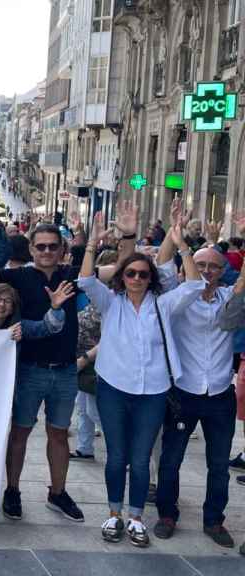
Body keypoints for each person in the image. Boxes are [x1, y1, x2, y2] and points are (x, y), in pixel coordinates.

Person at [0, 201, 141, 525]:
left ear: (62, 249)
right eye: (41, 246)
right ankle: (13, 490)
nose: (47, 251)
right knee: (19, 433)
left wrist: (128, 235)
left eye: (52, 246)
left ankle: (58, 492)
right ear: (32, 249)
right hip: (28, 369)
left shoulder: (73, 276)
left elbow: (121, 268)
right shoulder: (17, 276)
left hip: (64, 370)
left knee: (59, 434)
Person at [78, 214, 203, 547]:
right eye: (130, 273)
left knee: (141, 456)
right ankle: (114, 513)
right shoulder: (111, 303)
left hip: (153, 391)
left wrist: (183, 247)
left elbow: (194, 286)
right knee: (117, 455)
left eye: (142, 274)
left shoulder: (163, 305)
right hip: (114, 388)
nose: (136, 278)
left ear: (151, 279)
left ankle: (135, 517)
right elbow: (87, 281)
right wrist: (93, 243)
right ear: (122, 277)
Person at [153, 209, 240, 549]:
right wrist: (175, 238)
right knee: (171, 460)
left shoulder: (228, 300)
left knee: (219, 465)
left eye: (213, 266)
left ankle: (214, 520)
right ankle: (166, 514)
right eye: (200, 265)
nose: (205, 271)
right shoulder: (178, 300)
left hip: (219, 393)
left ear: (222, 272)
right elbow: (161, 265)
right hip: (184, 392)